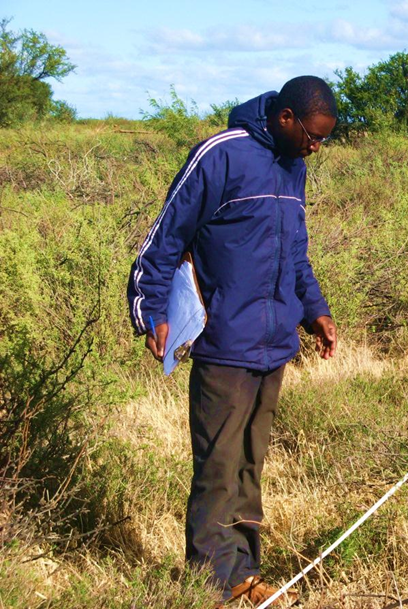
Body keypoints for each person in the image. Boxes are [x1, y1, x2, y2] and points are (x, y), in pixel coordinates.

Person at [126, 76, 338, 607]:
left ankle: (242, 572)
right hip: (224, 341)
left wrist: (315, 311)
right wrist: (149, 310)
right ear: (285, 117)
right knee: (218, 466)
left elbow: (296, 255)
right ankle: (210, 584)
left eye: (323, 140)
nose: (316, 147)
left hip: (273, 345)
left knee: (249, 463)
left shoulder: (295, 166)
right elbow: (163, 238)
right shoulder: (220, 155)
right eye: (312, 136)